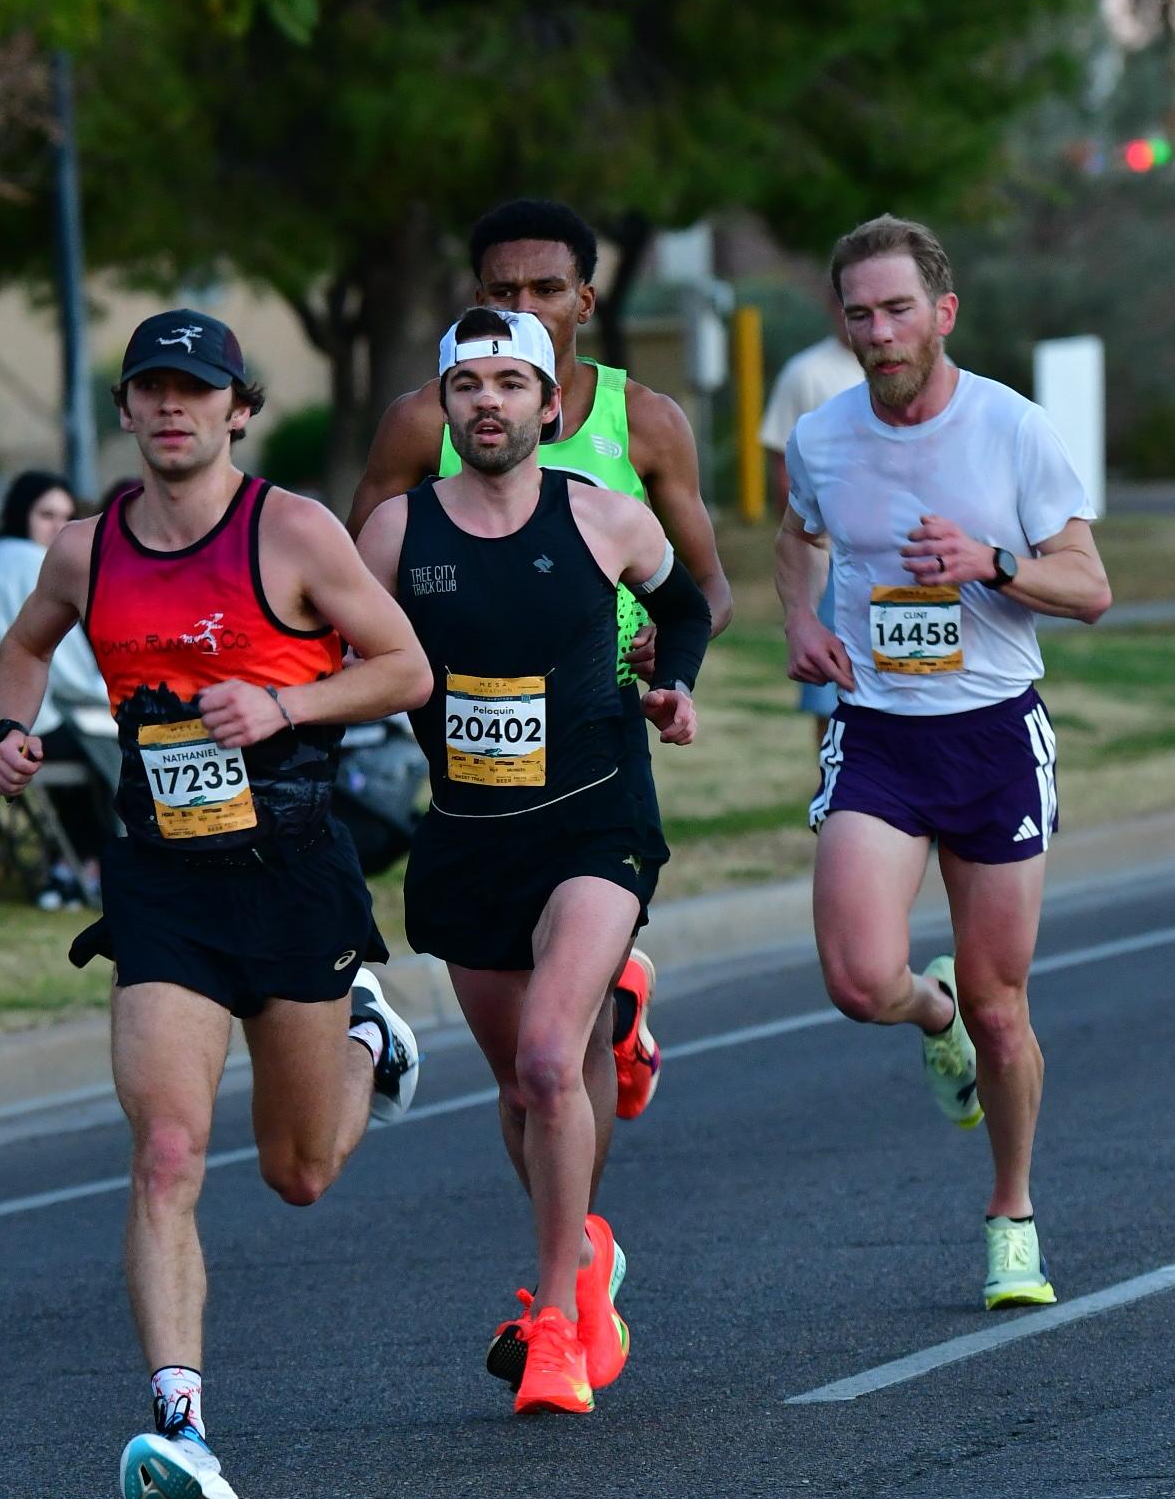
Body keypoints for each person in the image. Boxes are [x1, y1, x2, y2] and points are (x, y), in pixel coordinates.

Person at [0, 311, 433, 1499]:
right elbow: (25, 645)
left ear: (238, 409)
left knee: (298, 1172)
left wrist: (283, 709)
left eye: (196, 390)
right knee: (169, 1151)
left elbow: (405, 669)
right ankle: (179, 1424)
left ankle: (366, 1037)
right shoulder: (85, 548)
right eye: (151, 389)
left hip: (291, 873)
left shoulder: (291, 530)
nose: (172, 408)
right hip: (162, 880)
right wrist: (9, 731)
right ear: (126, 410)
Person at [359, 306, 712, 1417]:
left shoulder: (602, 517)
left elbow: (686, 606)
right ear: (443, 407)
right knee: (522, 1085)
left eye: (512, 384)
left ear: (549, 406)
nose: (490, 404)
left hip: (594, 817)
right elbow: (329, 651)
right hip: (469, 833)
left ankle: (554, 1319)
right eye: (468, 387)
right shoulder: (393, 535)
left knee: (555, 1062)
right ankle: (585, 1254)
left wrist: (672, 682)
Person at [774, 214, 1111, 1312]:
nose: (879, 333)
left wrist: (991, 562)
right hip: (877, 734)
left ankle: (1011, 1216)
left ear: (942, 313)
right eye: (859, 315)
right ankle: (933, 1019)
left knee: (1002, 1005)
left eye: (897, 310)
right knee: (856, 980)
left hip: (992, 739)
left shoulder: (1010, 429)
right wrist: (800, 620)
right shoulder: (822, 437)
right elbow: (798, 535)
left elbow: (1089, 587)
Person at [349, 196, 732, 1121]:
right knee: (530, 1063)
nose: (525, 304)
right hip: (467, 740)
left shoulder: (644, 421)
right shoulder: (422, 420)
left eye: (547, 288)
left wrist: (671, 664)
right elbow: (353, 580)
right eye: (501, 290)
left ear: (585, 301)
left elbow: (708, 590)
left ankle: (603, 1000)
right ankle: (611, 1007)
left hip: (602, 722)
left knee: (557, 1041)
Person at [0, 469, 119, 883]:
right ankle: (91, 862)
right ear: (22, 514)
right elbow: (69, 676)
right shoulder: (29, 562)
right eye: (46, 515)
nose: (58, 528)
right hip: (5, 728)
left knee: (85, 740)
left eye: (66, 517)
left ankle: (74, 859)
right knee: (112, 746)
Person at [757, 290, 866, 755]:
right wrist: (805, 537)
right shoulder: (806, 372)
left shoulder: (910, 369)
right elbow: (783, 462)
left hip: (899, 557)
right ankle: (833, 777)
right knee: (829, 684)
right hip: (831, 557)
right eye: (850, 306)